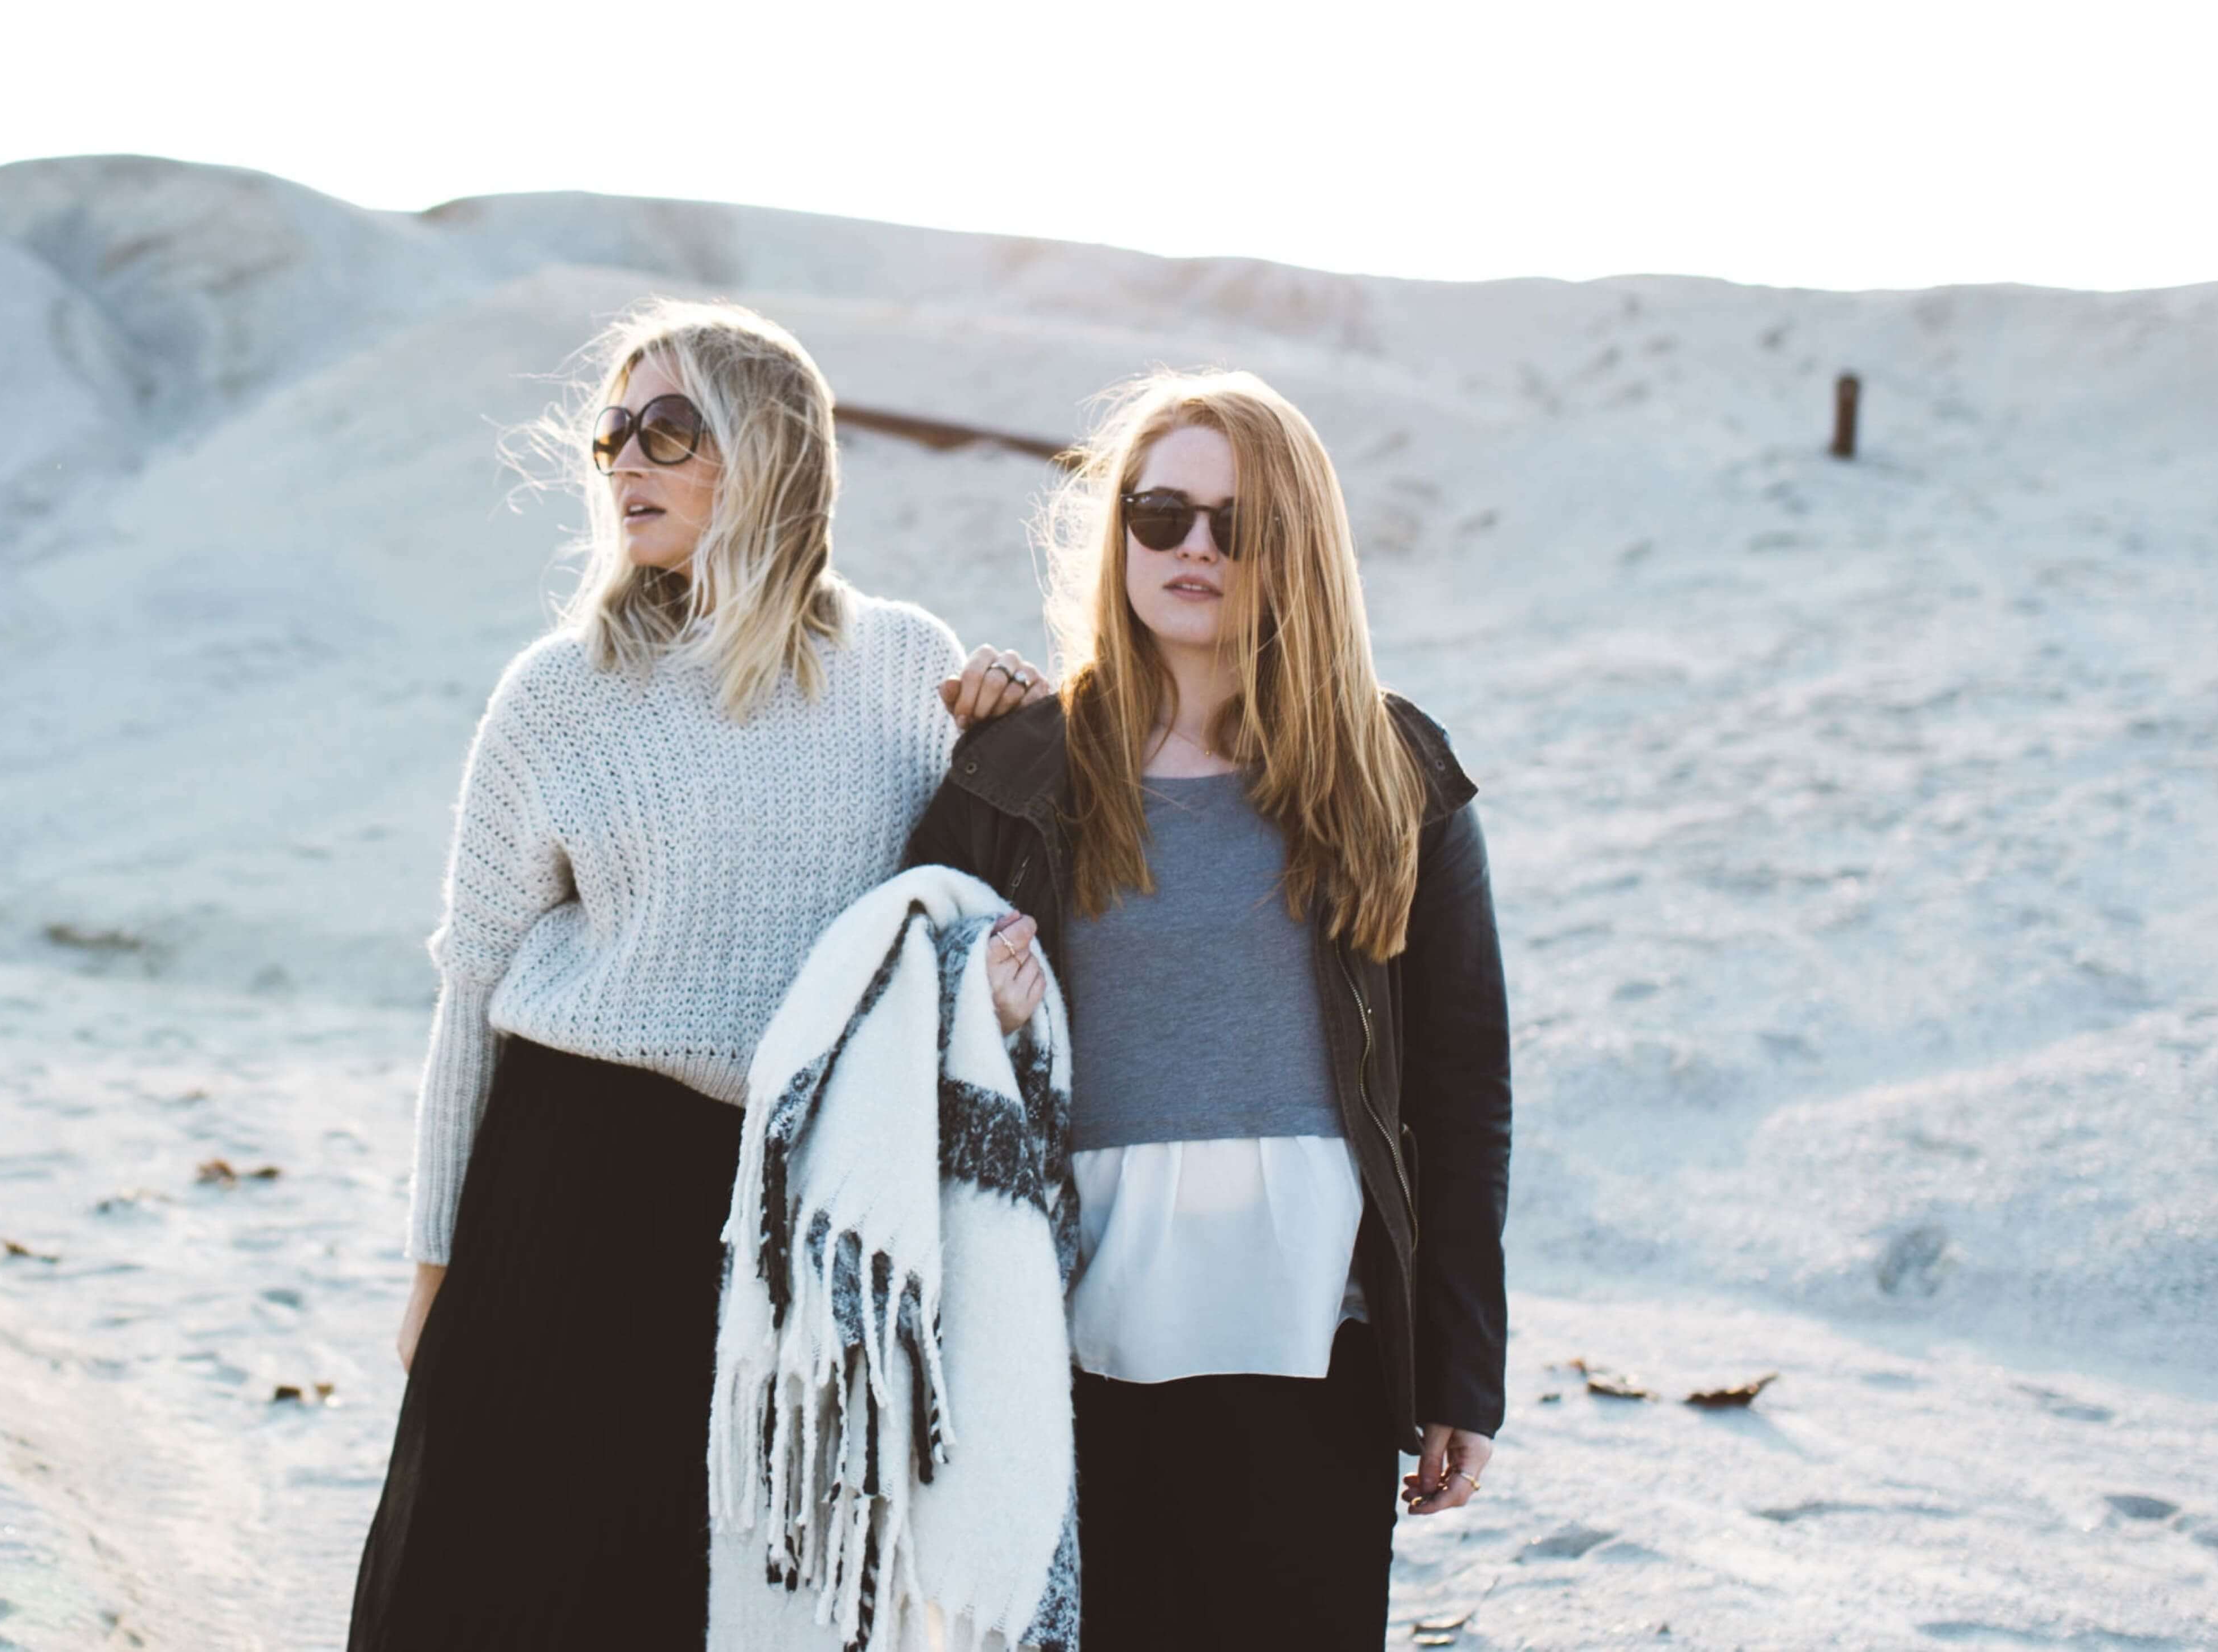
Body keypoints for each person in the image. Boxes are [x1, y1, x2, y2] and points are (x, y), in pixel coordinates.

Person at [346, 297, 1043, 1651]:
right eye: (611, 432)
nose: (625, 459)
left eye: (667, 429)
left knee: (703, 1594)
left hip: (783, 1207)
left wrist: (1007, 731)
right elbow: (470, 993)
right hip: (564, 1182)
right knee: (494, 1581)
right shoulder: (559, 691)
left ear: (772, 449)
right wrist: (434, 1265)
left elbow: (947, 919)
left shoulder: (905, 665)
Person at [900, 368, 1512, 1647]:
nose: (1194, 549)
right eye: (1161, 513)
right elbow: (898, 1034)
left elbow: (1463, 1093)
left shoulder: (1393, 773)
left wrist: (1463, 1369)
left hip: (1317, 1336)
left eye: (1239, 525)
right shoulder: (1013, 774)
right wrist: (982, 1018)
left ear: (1300, 548)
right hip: (1066, 1339)